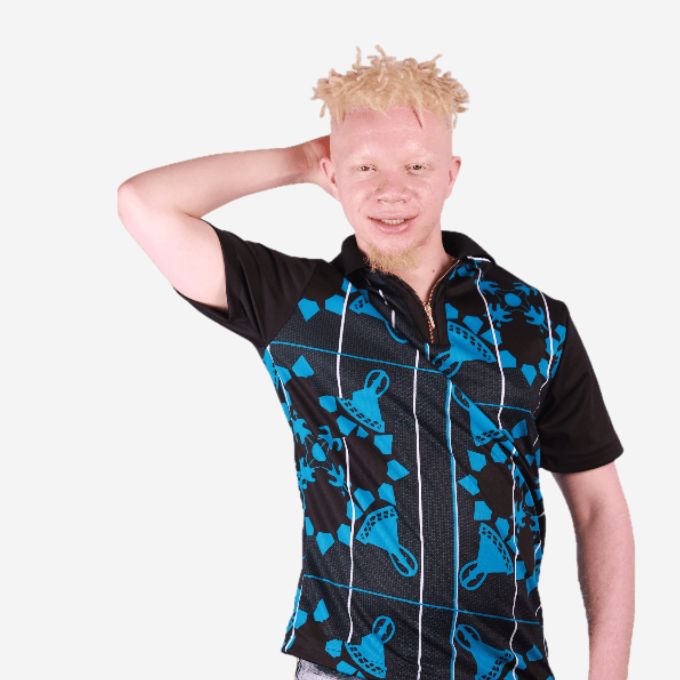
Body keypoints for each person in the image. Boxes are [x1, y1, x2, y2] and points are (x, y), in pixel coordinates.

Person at [117, 45, 634, 680]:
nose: (392, 190)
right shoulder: (296, 305)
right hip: (348, 664)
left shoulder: (537, 323)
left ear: (451, 174)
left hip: (506, 668)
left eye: (417, 165)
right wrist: (300, 160)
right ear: (331, 175)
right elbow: (144, 203)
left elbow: (599, 507)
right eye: (365, 167)